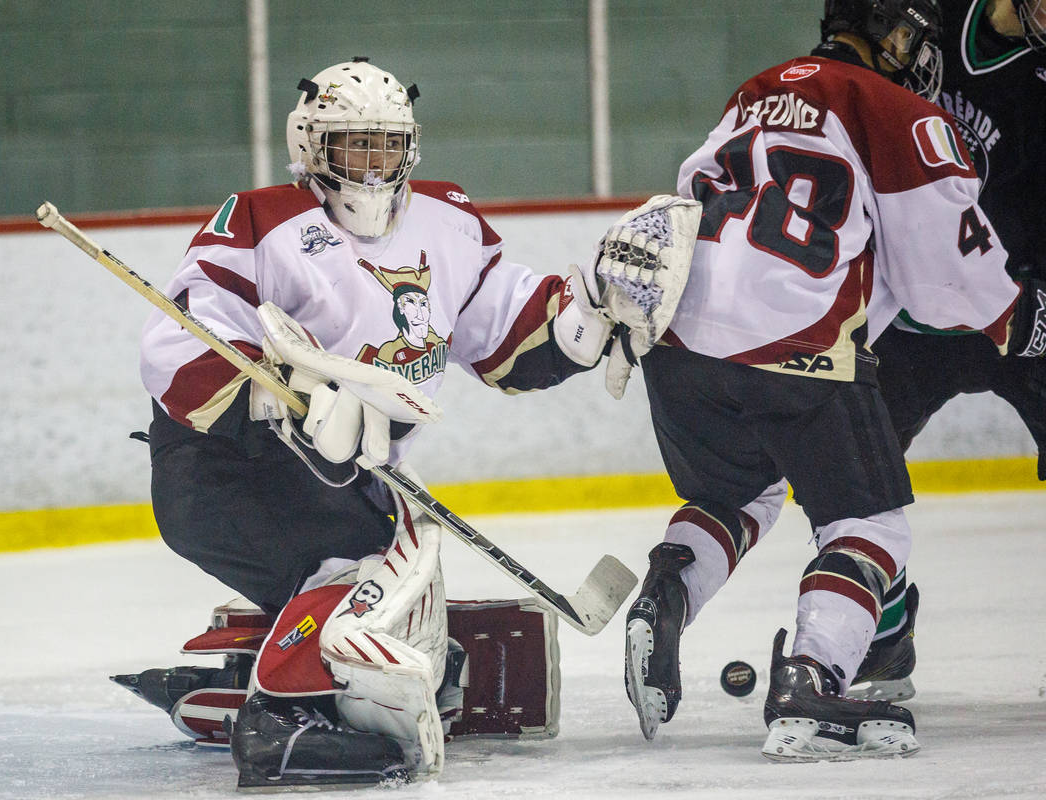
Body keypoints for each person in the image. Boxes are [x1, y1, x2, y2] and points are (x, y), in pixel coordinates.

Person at [110, 57, 693, 790]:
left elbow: (502, 332)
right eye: (353, 144)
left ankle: (280, 680)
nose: (372, 162)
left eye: (386, 144)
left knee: (406, 609)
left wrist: (583, 316)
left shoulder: (446, 221)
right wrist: (275, 398)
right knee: (351, 576)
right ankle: (278, 725)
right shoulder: (263, 219)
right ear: (310, 144)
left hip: (354, 475)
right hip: (228, 465)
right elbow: (177, 342)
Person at [617, 0, 1046, 761]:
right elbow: (945, 276)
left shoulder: (758, 86)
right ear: (900, 36)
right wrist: (1031, 318)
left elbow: (691, 197)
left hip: (687, 338)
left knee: (746, 489)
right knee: (866, 520)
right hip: (818, 339)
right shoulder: (904, 104)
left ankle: (670, 589)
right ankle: (818, 675)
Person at [853, 0, 1046, 703]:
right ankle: (882, 630)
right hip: (914, 310)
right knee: (844, 466)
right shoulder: (928, 18)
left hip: (1025, 310)